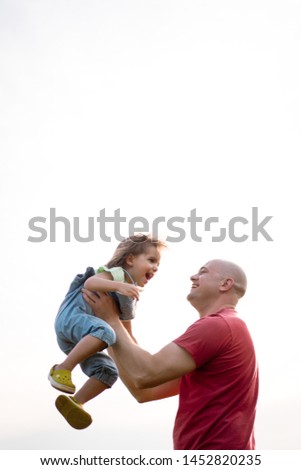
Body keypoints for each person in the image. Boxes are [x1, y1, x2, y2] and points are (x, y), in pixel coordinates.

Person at [82, 258, 259, 449]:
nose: (193, 276)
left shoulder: (219, 326)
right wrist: (112, 323)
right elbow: (143, 390)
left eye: (203, 271)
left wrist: (111, 320)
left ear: (225, 284)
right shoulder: (227, 328)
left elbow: (146, 374)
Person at [48, 234, 165, 430]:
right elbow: (90, 283)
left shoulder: (129, 296)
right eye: (151, 260)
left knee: (109, 371)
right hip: (72, 320)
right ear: (130, 259)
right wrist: (119, 285)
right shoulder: (118, 275)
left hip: (83, 338)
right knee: (107, 332)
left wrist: (142, 360)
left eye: (158, 264)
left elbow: (126, 336)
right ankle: (62, 369)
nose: (155, 267)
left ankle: (77, 402)